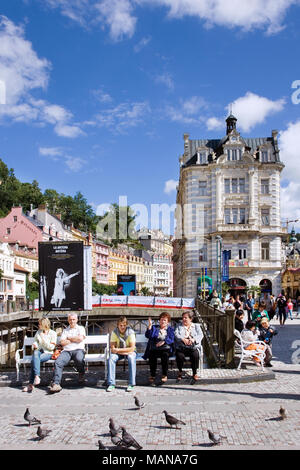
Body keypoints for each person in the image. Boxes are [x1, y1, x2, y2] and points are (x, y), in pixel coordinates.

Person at [49, 313, 86, 393]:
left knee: (79, 359)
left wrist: (68, 339)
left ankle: (81, 373)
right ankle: (56, 383)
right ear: (68, 320)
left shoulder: (81, 328)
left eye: (73, 319)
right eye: (70, 319)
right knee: (58, 362)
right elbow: (62, 342)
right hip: (67, 351)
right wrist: (73, 339)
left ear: (77, 320)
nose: (72, 321)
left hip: (78, 349)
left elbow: (80, 339)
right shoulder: (65, 330)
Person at [22, 318, 57, 392]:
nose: (38, 325)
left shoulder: (53, 333)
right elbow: (35, 341)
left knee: (33, 361)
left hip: (48, 353)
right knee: (35, 353)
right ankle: (37, 376)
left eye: (40, 324)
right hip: (39, 351)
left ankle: (30, 385)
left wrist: (43, 340)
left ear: (44, 324)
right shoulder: (38, 332)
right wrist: (34, 345)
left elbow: (51, 347)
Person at [106, 316, 136, 392]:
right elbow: (112, 348)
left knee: (131, 358)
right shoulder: (114, 332)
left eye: (124, 325)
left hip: (128, 352)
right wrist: (120, 351)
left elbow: (132, 348)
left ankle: (131, 384)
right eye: (120, 325)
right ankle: (111, 384)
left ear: (126, 325)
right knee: (111, 358)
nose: (122, 327)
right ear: (118, 325)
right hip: (120, 353)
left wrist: (118, 350)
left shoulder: (131, 332)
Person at [143, 312, 174, 384]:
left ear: (168, 322)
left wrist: (164, 341)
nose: (162, 321)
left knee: (165, 356)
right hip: (155, 348)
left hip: (165, 348)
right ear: (159, 320)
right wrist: (150, 326)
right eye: (161, 320)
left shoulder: (170, 329)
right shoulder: (154, 328)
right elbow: (148, 336)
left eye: (164, 320)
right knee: (152, 355)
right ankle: (152, 374)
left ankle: (164, 374)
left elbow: (172, 339)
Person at [174, 311, 203, 384]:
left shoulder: (196, 326)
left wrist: (193, 339)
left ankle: (194, 372)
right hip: (182, 346)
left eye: (185, 318)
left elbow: (200, 335)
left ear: (191, 319)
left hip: (192, 346)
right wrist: (183, 339)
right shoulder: (179, 326)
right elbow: (176, 334)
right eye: (183, 318)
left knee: (195, 355)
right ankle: (180, 371)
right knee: (179, 355)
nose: (183, 319)